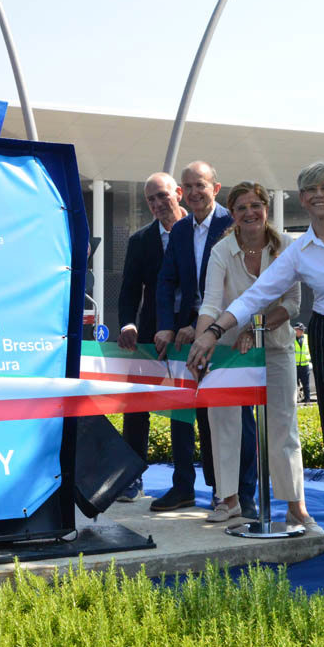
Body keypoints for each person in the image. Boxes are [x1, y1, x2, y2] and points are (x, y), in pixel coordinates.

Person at [187, 161, 324, 558]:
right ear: (302, 200)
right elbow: (252, 297)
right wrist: (215, 332)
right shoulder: (300, 249)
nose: (318, 195)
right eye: (310, 190)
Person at [194, 181, 321, 532]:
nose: (250, 213)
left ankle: (296, 508)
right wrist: (204, 337)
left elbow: (292, 304)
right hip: (228, 350)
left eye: (256, 206)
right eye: (241, 208)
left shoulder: (286, 246)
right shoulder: (222, 250)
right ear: (232, 215)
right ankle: (229, 500)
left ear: (266, 208)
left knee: (283, 426)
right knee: (224, 424)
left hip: (276, 347)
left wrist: (257, 330)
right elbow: (210, 303)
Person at [151, 161, 257, 514]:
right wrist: (166, 324)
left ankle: (243, 494)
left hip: (230, 332)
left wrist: (201, 323)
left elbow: (240, 285)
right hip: (187, 339)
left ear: (216, 187)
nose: (195, 192)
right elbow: (166, 282)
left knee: (236, 417)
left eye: (201, 185)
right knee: (186, 415)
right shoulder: (181, 231)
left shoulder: (235, 222)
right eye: (189, 187)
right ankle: (189, 489)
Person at [114, 171, 186, 501]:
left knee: (188, 410)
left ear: (179, 193)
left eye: (162, 195)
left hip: (192, 334)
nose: (157, 203)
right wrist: (128, 323)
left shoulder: (201, 232)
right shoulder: (140, 241)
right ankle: (131, 479)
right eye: (150, 199)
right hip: (149, 336)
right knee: (136, 405)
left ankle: (200, 485)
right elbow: (129, 289)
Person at [294, 324, 312, 403]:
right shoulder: (291, 338)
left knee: (306, 384)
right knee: (294, 384)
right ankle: (295, 399)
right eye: (299, 329)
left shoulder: (307, 338)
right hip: (295, 365)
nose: (301, 331)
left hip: (305, 365)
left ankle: (307, 399)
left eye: (302, 330)